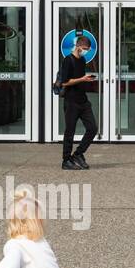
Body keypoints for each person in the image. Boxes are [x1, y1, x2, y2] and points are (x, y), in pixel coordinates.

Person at [58, 34, 97, 170]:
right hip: (71, 101)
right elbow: (65, 82)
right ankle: (66, 160)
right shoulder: (68, 60)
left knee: (92, 128)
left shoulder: (82, 60)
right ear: (78, 46)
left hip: (83, 101)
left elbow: (80, 77)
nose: (85, 51)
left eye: (87, 49)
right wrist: (82, 79)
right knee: (70, 131)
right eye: (85, 48)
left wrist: (86, 80)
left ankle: (78, 154)